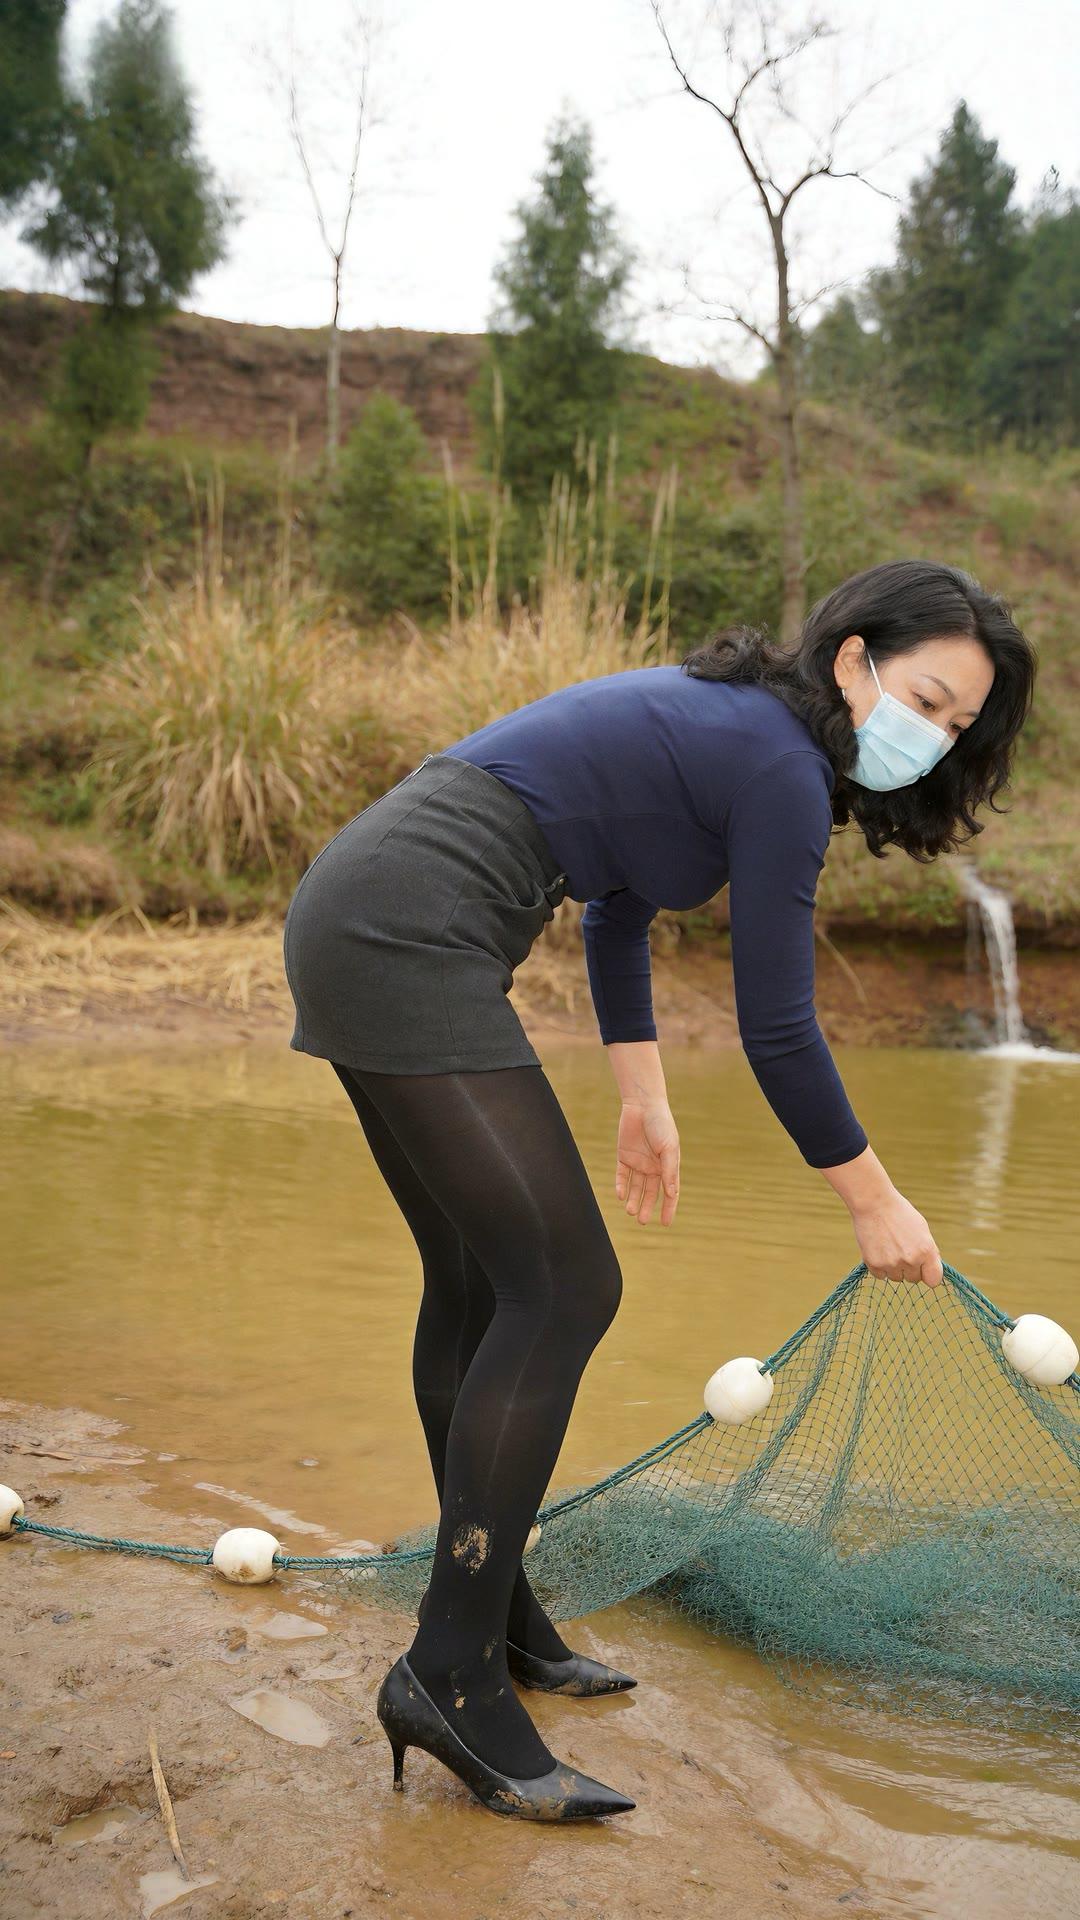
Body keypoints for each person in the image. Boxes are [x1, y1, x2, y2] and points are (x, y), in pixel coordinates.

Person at [281, 557, 1036, 1822]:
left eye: (961, 725)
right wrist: (873, 1199)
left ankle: (496, 1614)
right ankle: (448, 1669)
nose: (938, 735)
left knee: (481, 1284)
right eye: (930, 697)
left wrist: (644, 1097)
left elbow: (614, 912)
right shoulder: (780, 770)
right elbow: (782, 1029)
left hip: (376, 909)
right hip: (407, 926)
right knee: (567, 1288)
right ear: (854, 661)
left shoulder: (746, 739)